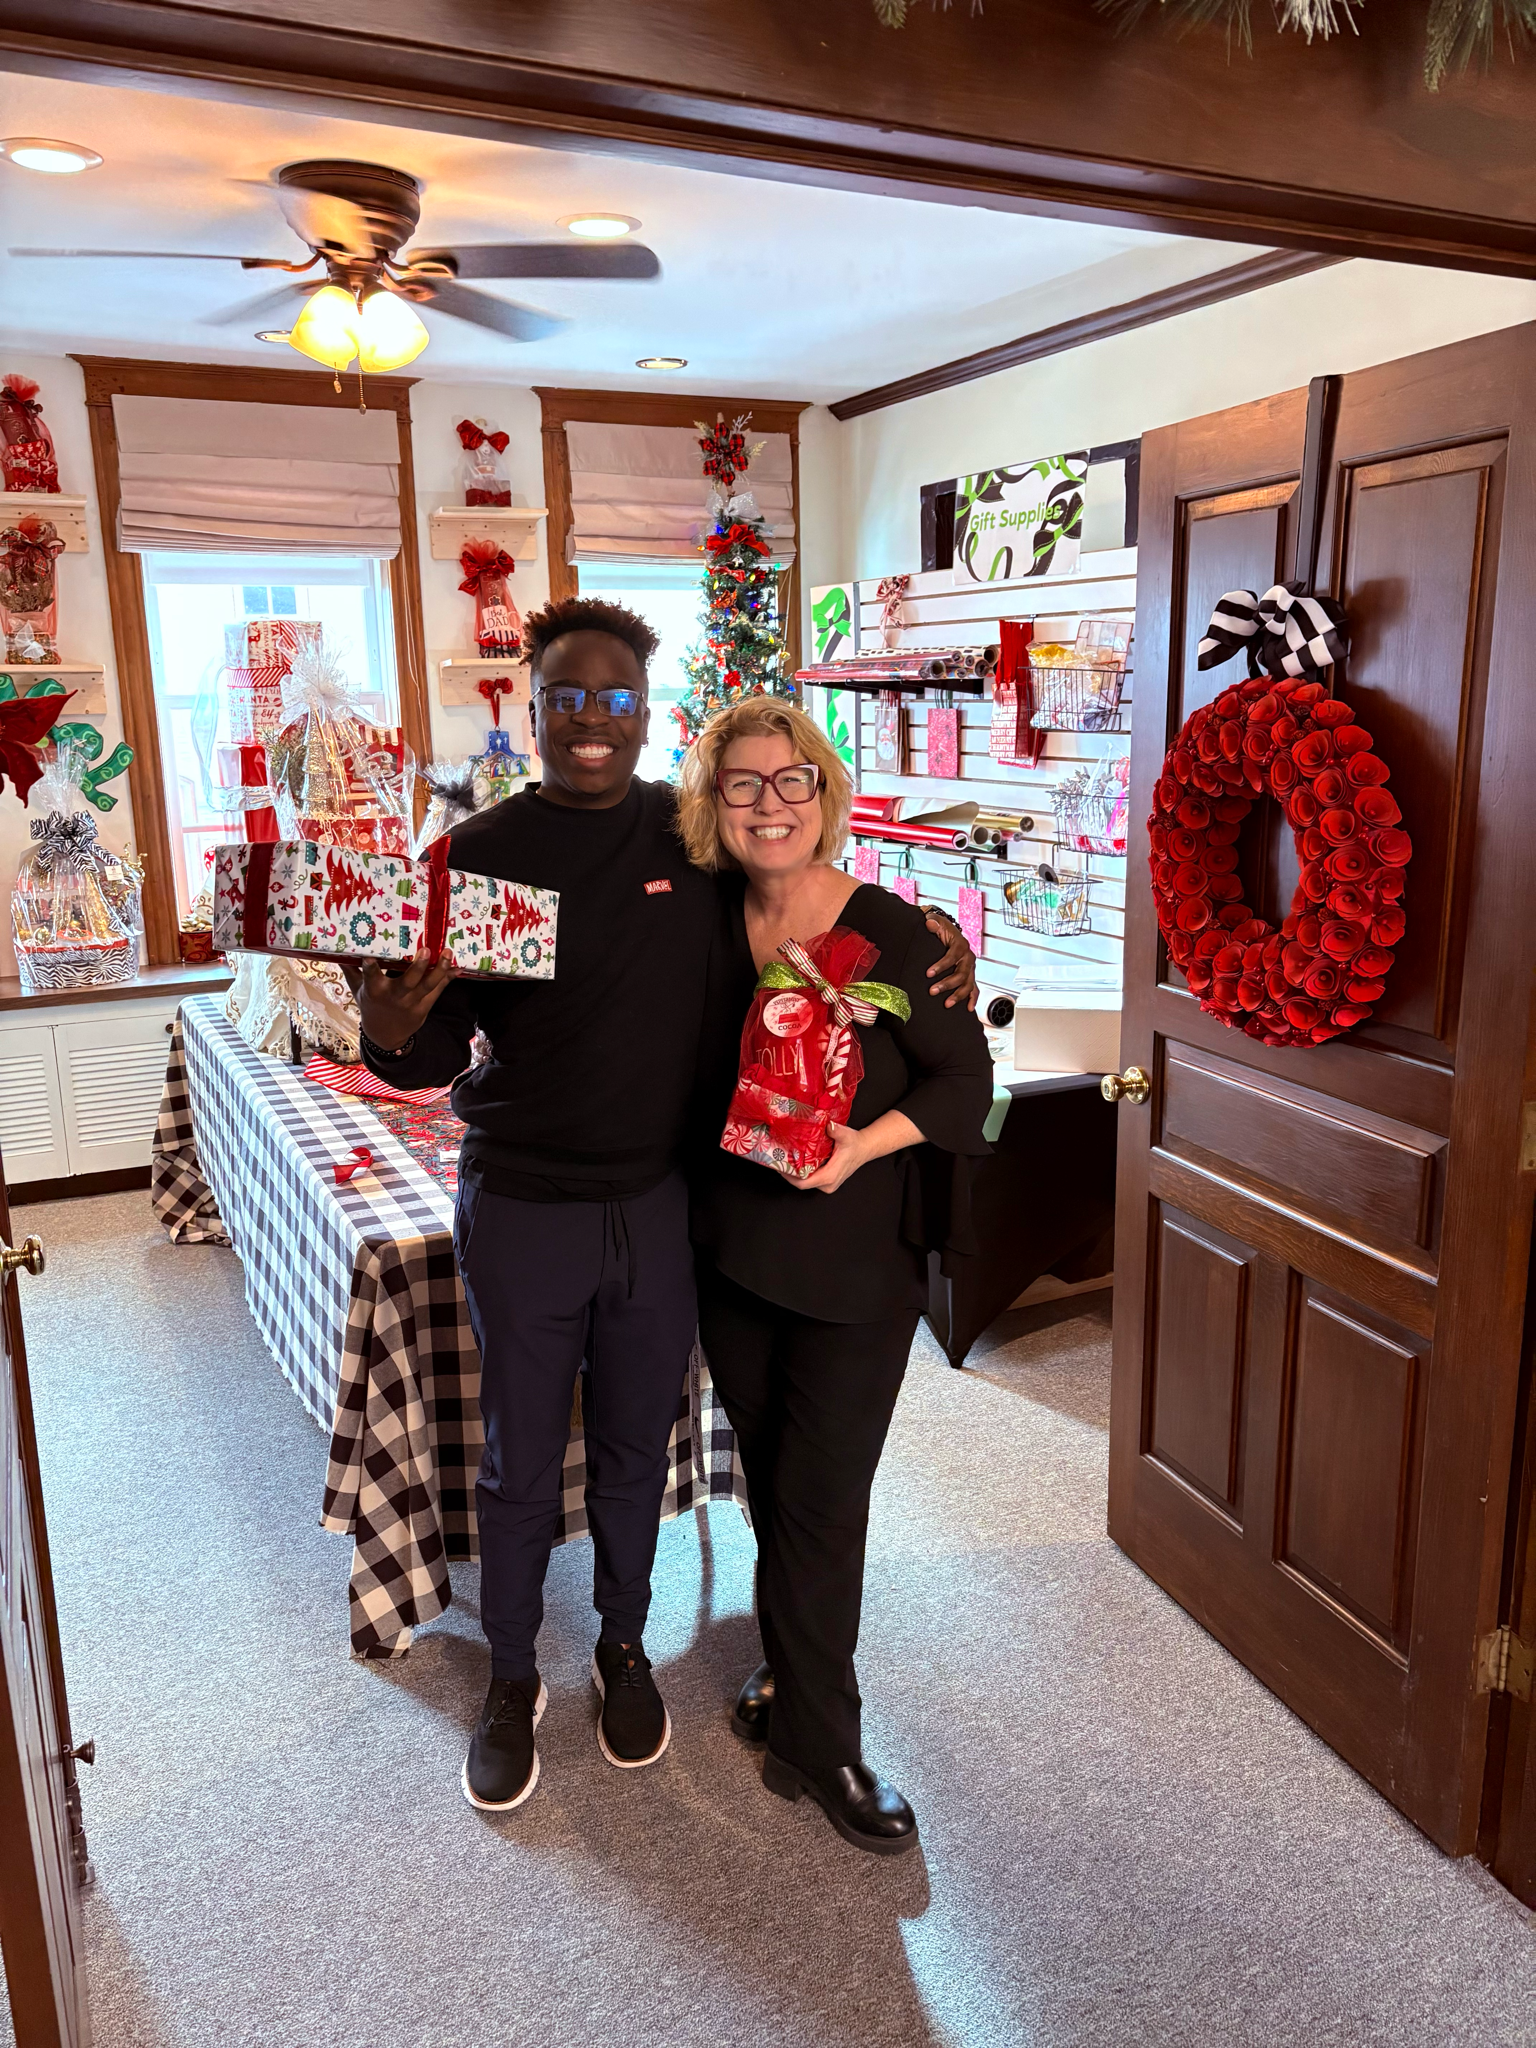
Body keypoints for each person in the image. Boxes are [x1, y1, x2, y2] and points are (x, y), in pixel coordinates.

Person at [352, 597, 977, 1813]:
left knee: (640, 1449)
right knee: (524, 1458)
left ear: (647, 711)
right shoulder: (470, 855)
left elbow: (804, 888)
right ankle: (513, 1676)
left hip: (663, 1204)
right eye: (566, 698)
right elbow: (428, 1052)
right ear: (527, 707)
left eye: (616, 697)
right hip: (526, 1203)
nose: (591, 719)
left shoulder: (687, 838)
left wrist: (931, 937)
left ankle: (623, 1644)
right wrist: (388, 1033)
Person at [677, 696, 993, 1856]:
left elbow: (967, 1088)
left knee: (825, 1500)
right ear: (714, 802)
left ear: (825, 791)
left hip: (855, 1268)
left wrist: (864, 1143)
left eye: (791, 779)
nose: (770, 804)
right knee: (777, 1487)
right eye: (744, 783)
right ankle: (793, 1675)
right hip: (733, 1254)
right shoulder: (699, 918)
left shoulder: (897, 932)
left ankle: (827, 1744)